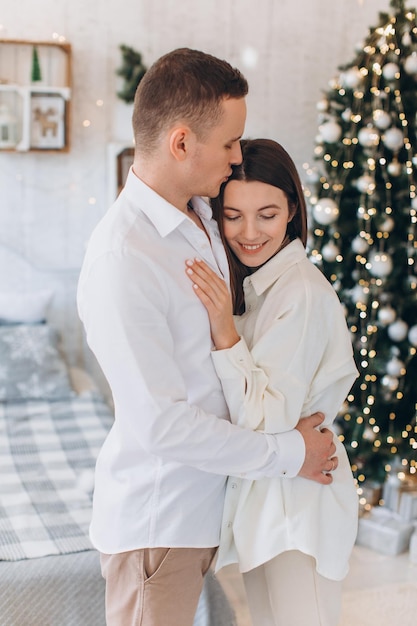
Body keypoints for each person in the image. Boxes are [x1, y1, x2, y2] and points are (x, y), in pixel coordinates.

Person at [77, 49, 338, 626]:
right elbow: (161, 423)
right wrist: (287, 453)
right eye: (229, 143)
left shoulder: (200, 213)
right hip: (158, 521)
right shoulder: (125, 258)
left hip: (202, 514)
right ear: (180, 143)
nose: (238, 156)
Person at [185, 138, 359, 626]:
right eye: (233, 215)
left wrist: (223, 332)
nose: (248, 232)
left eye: (266, 214)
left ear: (292, 212)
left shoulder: (299, 293)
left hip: (298, 506)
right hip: (271, 498)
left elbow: (269, 420)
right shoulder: (260, 286)